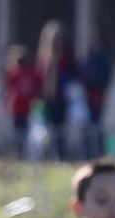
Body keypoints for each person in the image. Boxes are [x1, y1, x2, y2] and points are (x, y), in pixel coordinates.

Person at [37, 22, 77, 161]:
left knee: (61, 129)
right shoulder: (44, 58)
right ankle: (48, 157)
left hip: (61, 99)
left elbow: (72, 76)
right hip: (47, 100)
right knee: (47, 131)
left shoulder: (67, 58)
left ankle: (61, 156)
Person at [2, 45, 44, 158]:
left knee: (23, 132)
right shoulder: (17, 73)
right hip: (21, 107)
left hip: (27, 108)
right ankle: (19, 153)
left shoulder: (28, 73)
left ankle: (22, 153)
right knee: (20, 132)